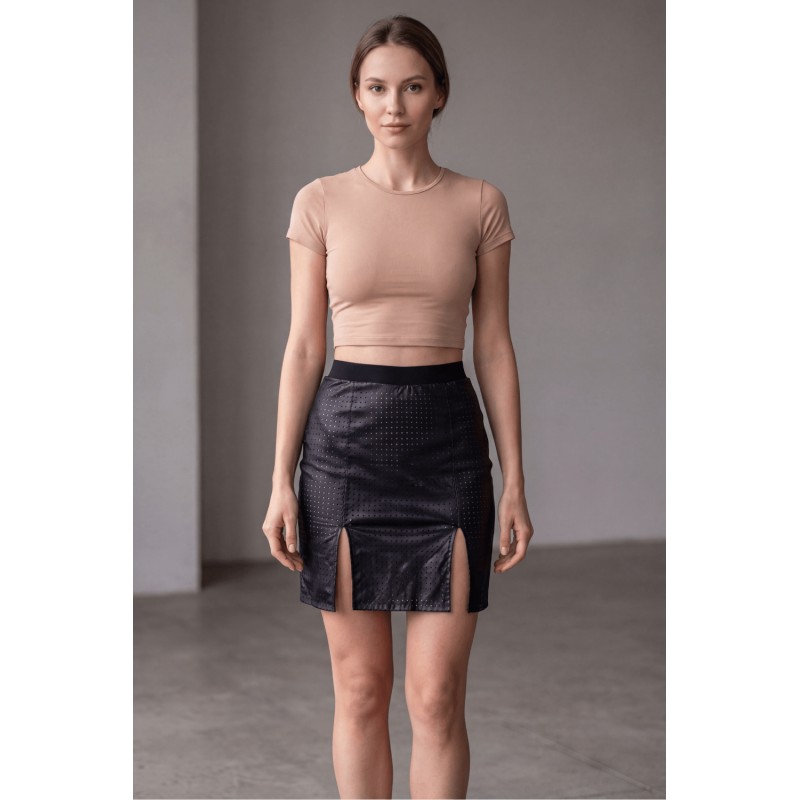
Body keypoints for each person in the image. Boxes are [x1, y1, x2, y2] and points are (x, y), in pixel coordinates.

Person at [263, 14, 534, 800]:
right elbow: (304, 348)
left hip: (447, 451)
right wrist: (280, 480)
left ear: (439, 94)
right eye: (377, 88)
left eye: (412, 87)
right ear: (356, 95)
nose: (394, 105)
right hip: (343, 454)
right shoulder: (319, 202)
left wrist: (515, 481)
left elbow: (494, 348)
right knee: (360, 690)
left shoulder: (480, 203)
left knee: (437, 696)